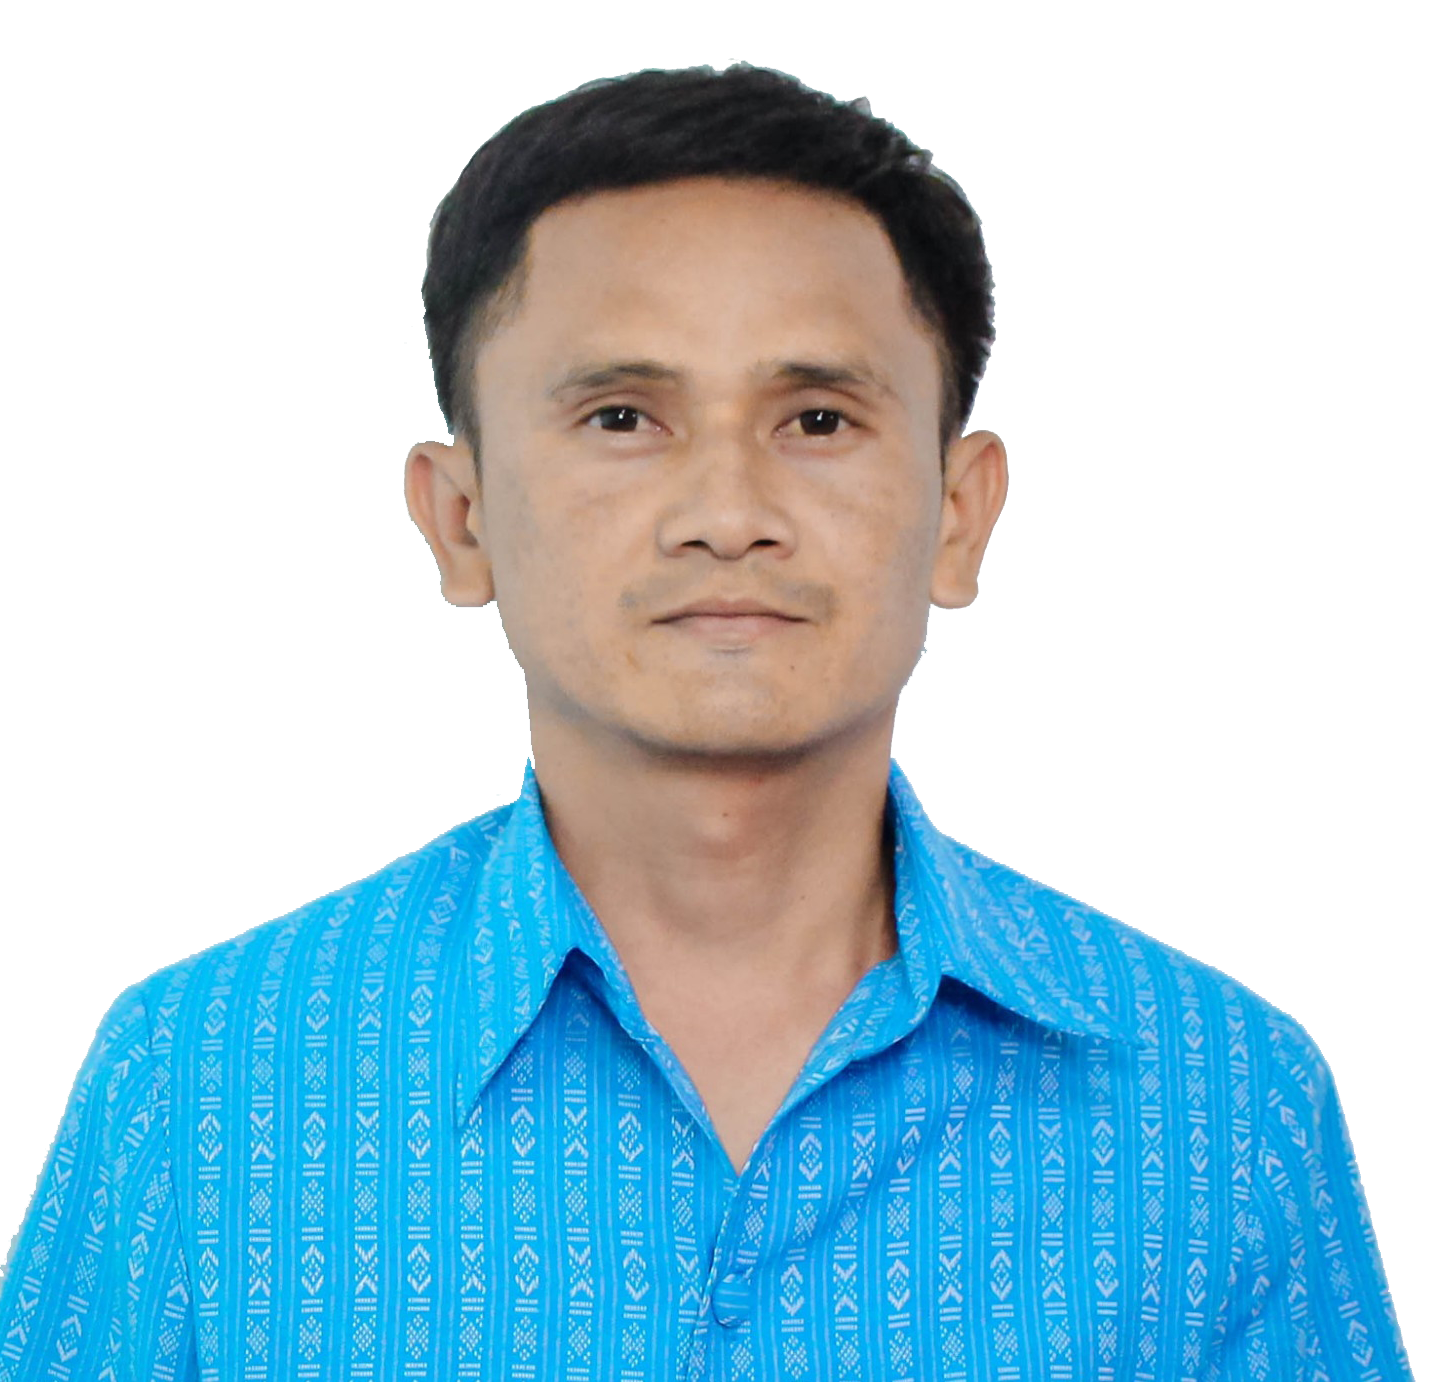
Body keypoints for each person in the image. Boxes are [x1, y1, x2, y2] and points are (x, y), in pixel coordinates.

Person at [0, 62, 1413, 1381]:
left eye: (818, 420)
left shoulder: (1222, 1105)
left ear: (958, 512)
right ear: (459, 516)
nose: (728, 516)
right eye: (622, 417)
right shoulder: (202, 1089)